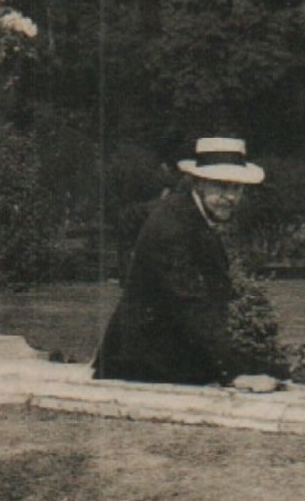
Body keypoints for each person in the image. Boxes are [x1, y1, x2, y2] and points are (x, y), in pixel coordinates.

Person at [93, 137, 271, 385]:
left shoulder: (192, 215)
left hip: (173, 353)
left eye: (237, 188)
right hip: (139, 363)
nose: (230, 197)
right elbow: (191, 302)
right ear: (198, 183)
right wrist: (234, 373)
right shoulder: (172, 227)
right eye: (221, 186)